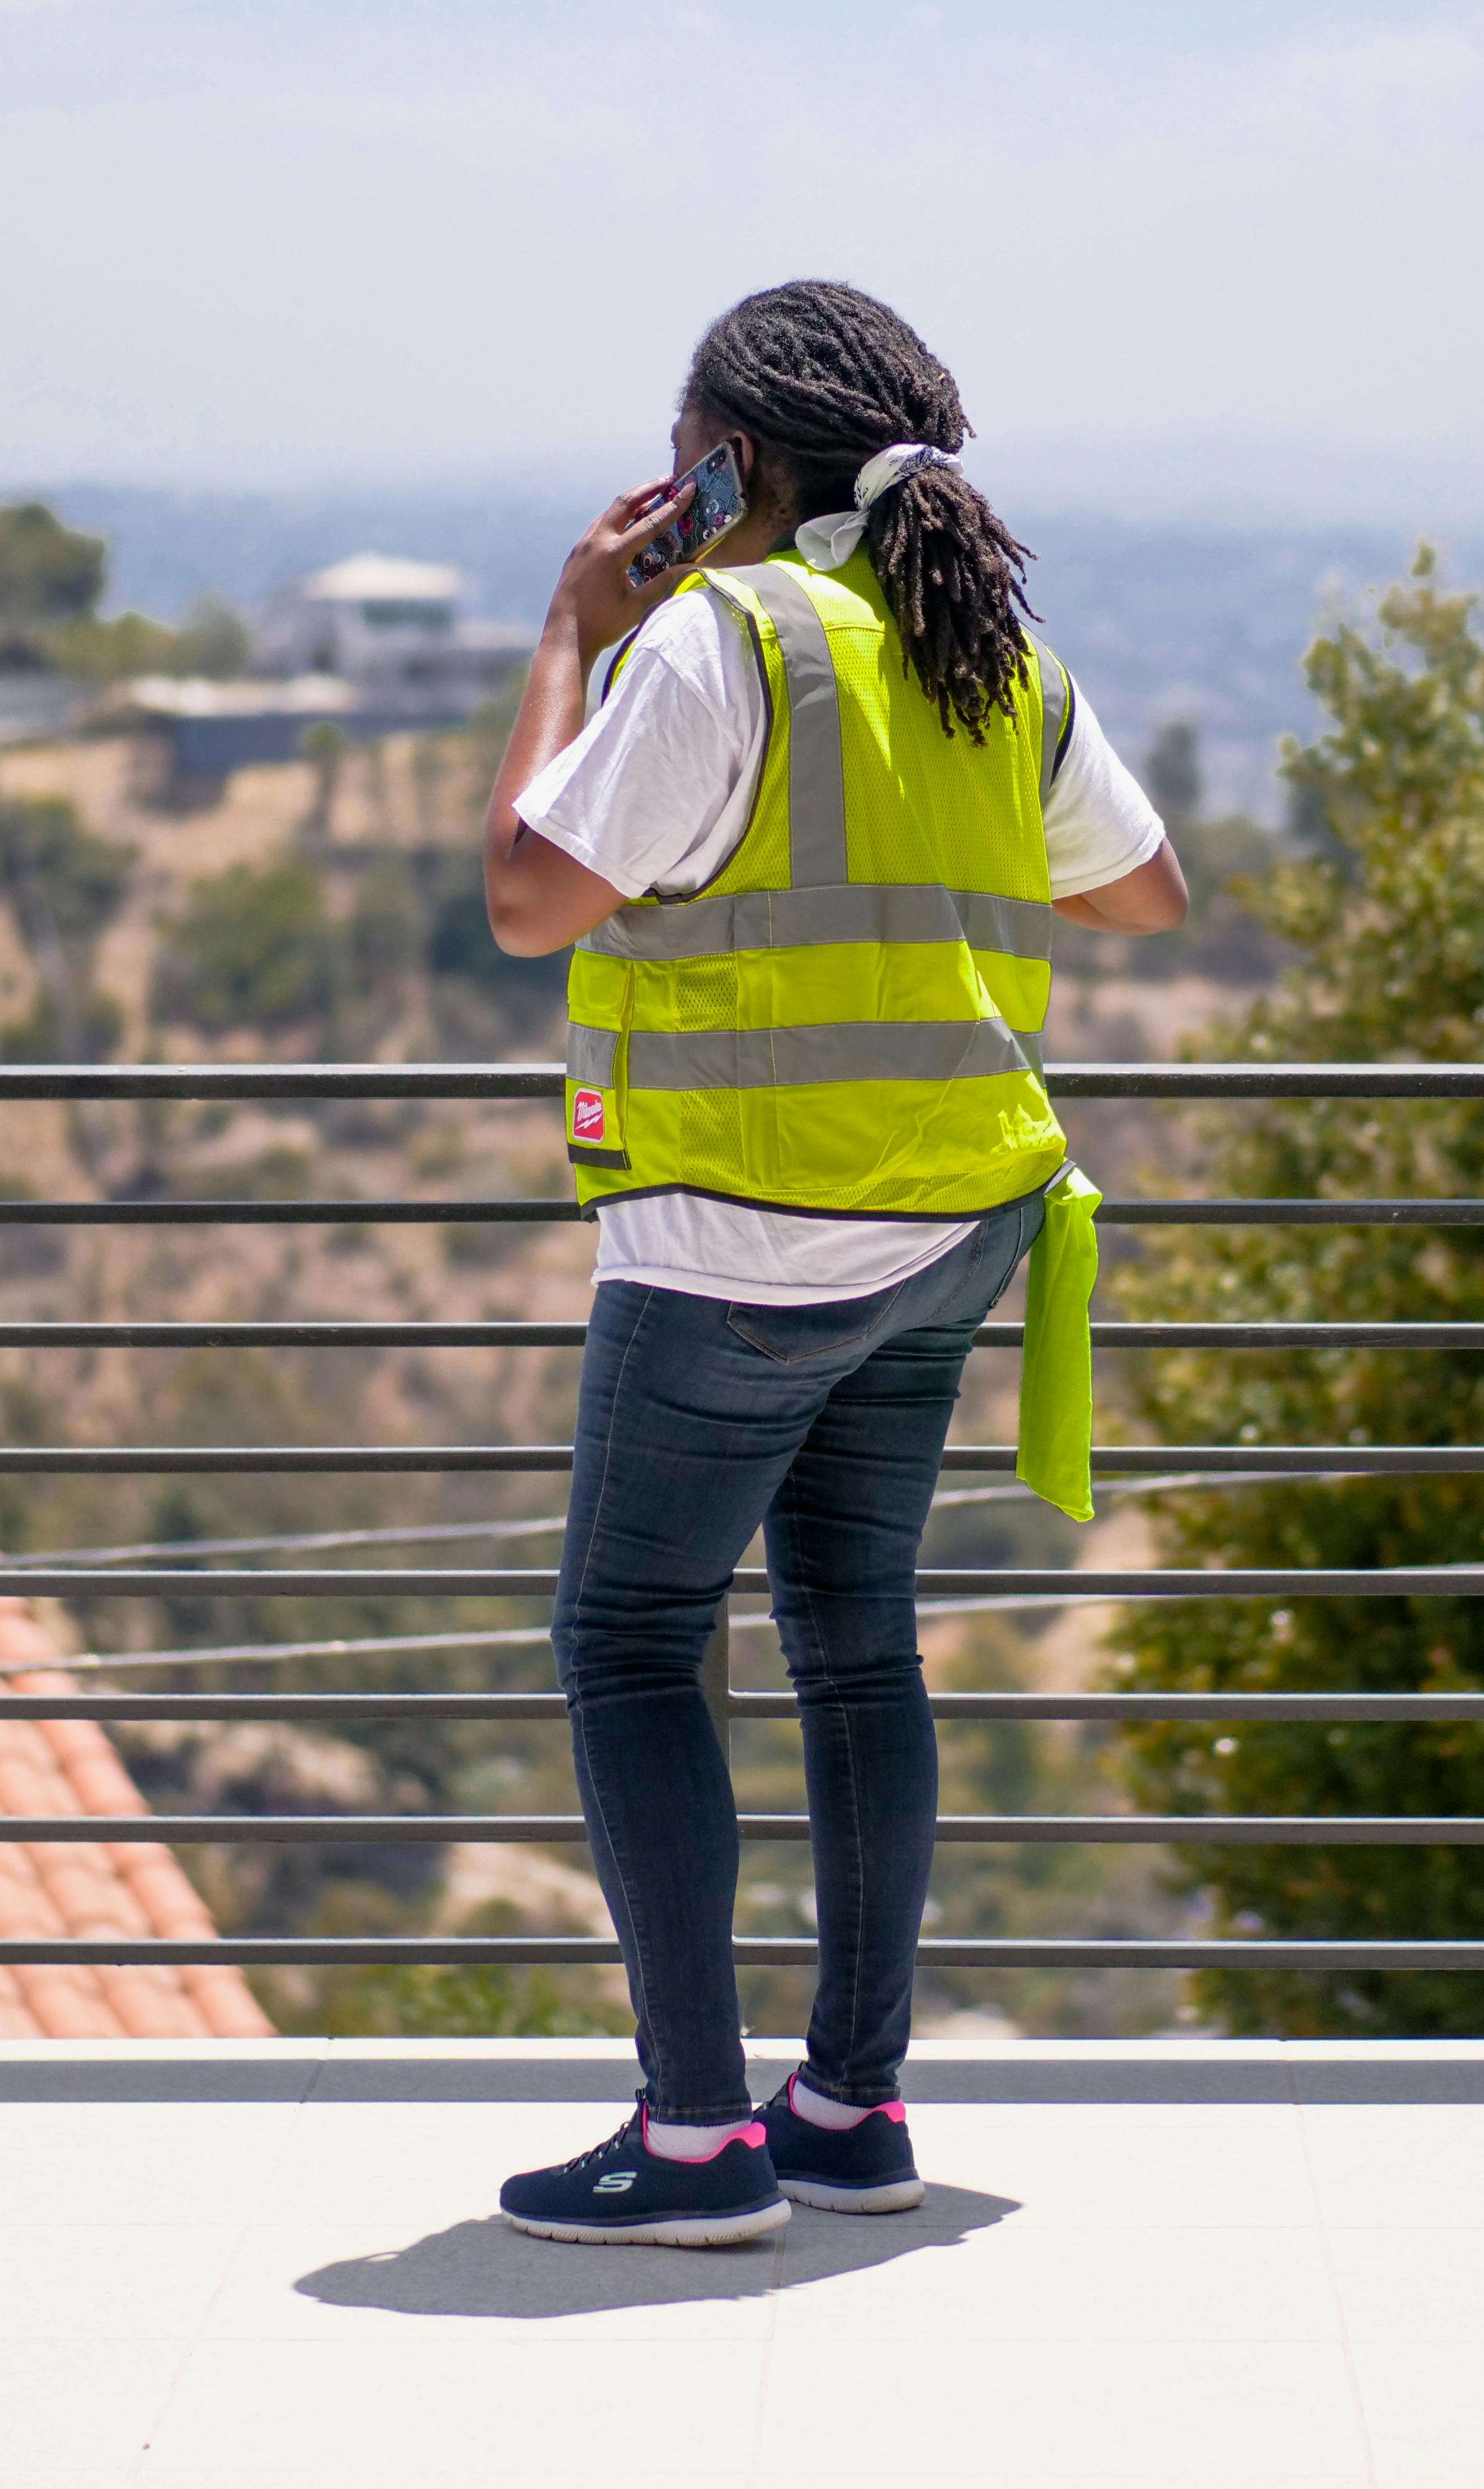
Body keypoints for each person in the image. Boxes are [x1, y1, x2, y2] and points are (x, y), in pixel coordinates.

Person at [478, 280, 1188, 2245]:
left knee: (633, 1643)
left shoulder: (721, 641)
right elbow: (1145, 891)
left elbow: (531, 896)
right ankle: (852, 2110)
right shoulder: (986, 657)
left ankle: (696, 2144)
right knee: (858, 1640)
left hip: (735, 1241)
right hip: (949, 1231)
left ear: (737, 462)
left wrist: (570, 630)